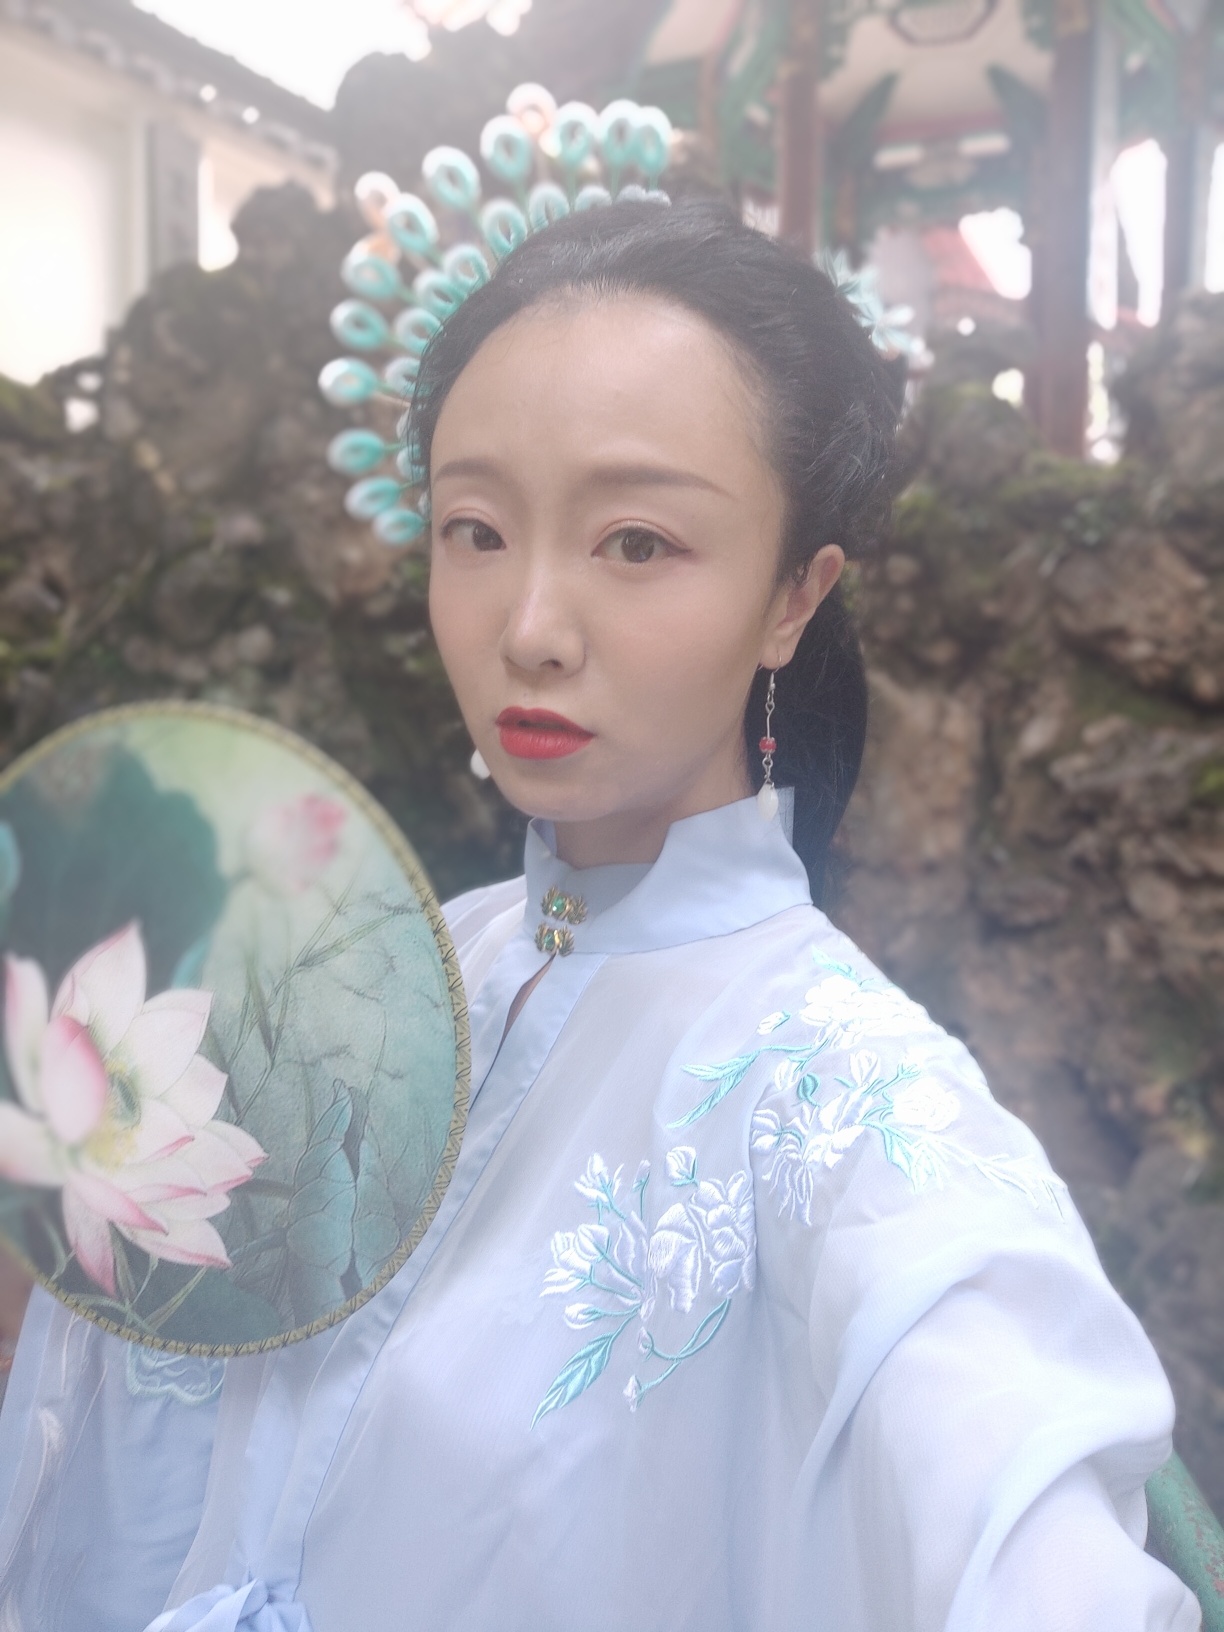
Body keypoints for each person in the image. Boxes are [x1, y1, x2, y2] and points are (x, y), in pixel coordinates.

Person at [0, 198, 1201, 1632]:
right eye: (476, 529)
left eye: (636, 541)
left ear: (794, 594)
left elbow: (1031, 1530)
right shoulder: (355, 976)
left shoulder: (850, 1109)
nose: (529, 627)